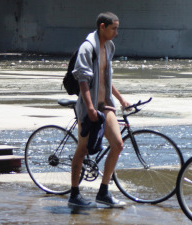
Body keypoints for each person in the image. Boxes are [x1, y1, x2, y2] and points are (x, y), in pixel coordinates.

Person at [68, 12, 130, 208]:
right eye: (114, 28)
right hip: (90, 107)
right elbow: (83, 82)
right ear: (102, 26)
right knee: (83, 148)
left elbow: (105, 78)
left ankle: (103, 192)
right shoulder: (87, 48)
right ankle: (74, 194)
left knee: (118, 144)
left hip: (105, 105)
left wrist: (121, 99)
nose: (116, 33)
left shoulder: (109, 46)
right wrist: (90, 109)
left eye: (117, 28)